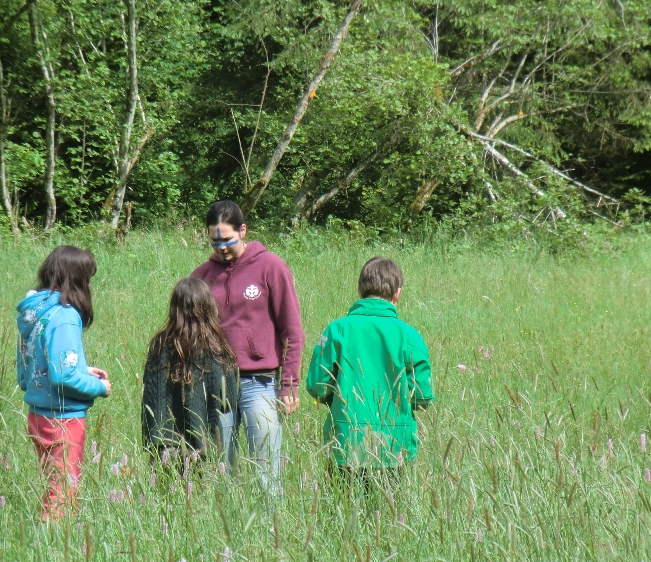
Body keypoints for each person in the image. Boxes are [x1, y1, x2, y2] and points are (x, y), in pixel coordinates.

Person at [192, 200, 304, 494]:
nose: (221, 247)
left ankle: (272, 522)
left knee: (267, 471)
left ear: (243, 230)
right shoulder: (201, 276)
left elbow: (292, 331)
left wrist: (289, 384)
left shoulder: (271, 267)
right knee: (222, 472)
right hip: (216, 384)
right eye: (214, 241)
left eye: (227, 239)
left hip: (260, 384)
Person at [306, 257, 434, 477]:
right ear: (398, 293)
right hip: (394, 447)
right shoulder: (410, 336)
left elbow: (317, 385)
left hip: (345, 441)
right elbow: (422, 396)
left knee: (342, 498)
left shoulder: (336, 330)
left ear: (360, 290)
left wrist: (335, 400)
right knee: (390, 500)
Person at [16, 245, 111, 521]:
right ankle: (57, 540)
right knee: (62, 496)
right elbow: (63, 377)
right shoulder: (65, 316)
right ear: (78, 279)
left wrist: (83, 369)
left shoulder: (36, 311)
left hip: (38, 415)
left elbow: (29, 368)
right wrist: (99, 388)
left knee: (52, 486)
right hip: (63, 419)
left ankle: (48, 535)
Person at [141, 277, 238, 460]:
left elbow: (151, 397)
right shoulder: (217, 349)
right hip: (206, 445)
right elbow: (228, 402)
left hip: (165, 443)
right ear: (209, 308)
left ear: (174, 308)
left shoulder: (160, 346)